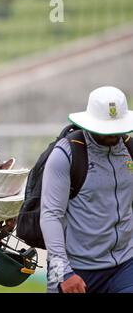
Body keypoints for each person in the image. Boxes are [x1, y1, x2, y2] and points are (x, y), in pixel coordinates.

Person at [40, 86, 133, 293]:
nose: (113, 134)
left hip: (125, 265)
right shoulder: (66, 154)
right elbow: (50, 215)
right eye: (105, 128)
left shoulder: (129, 149)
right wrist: (62, 273)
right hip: (74, 268)